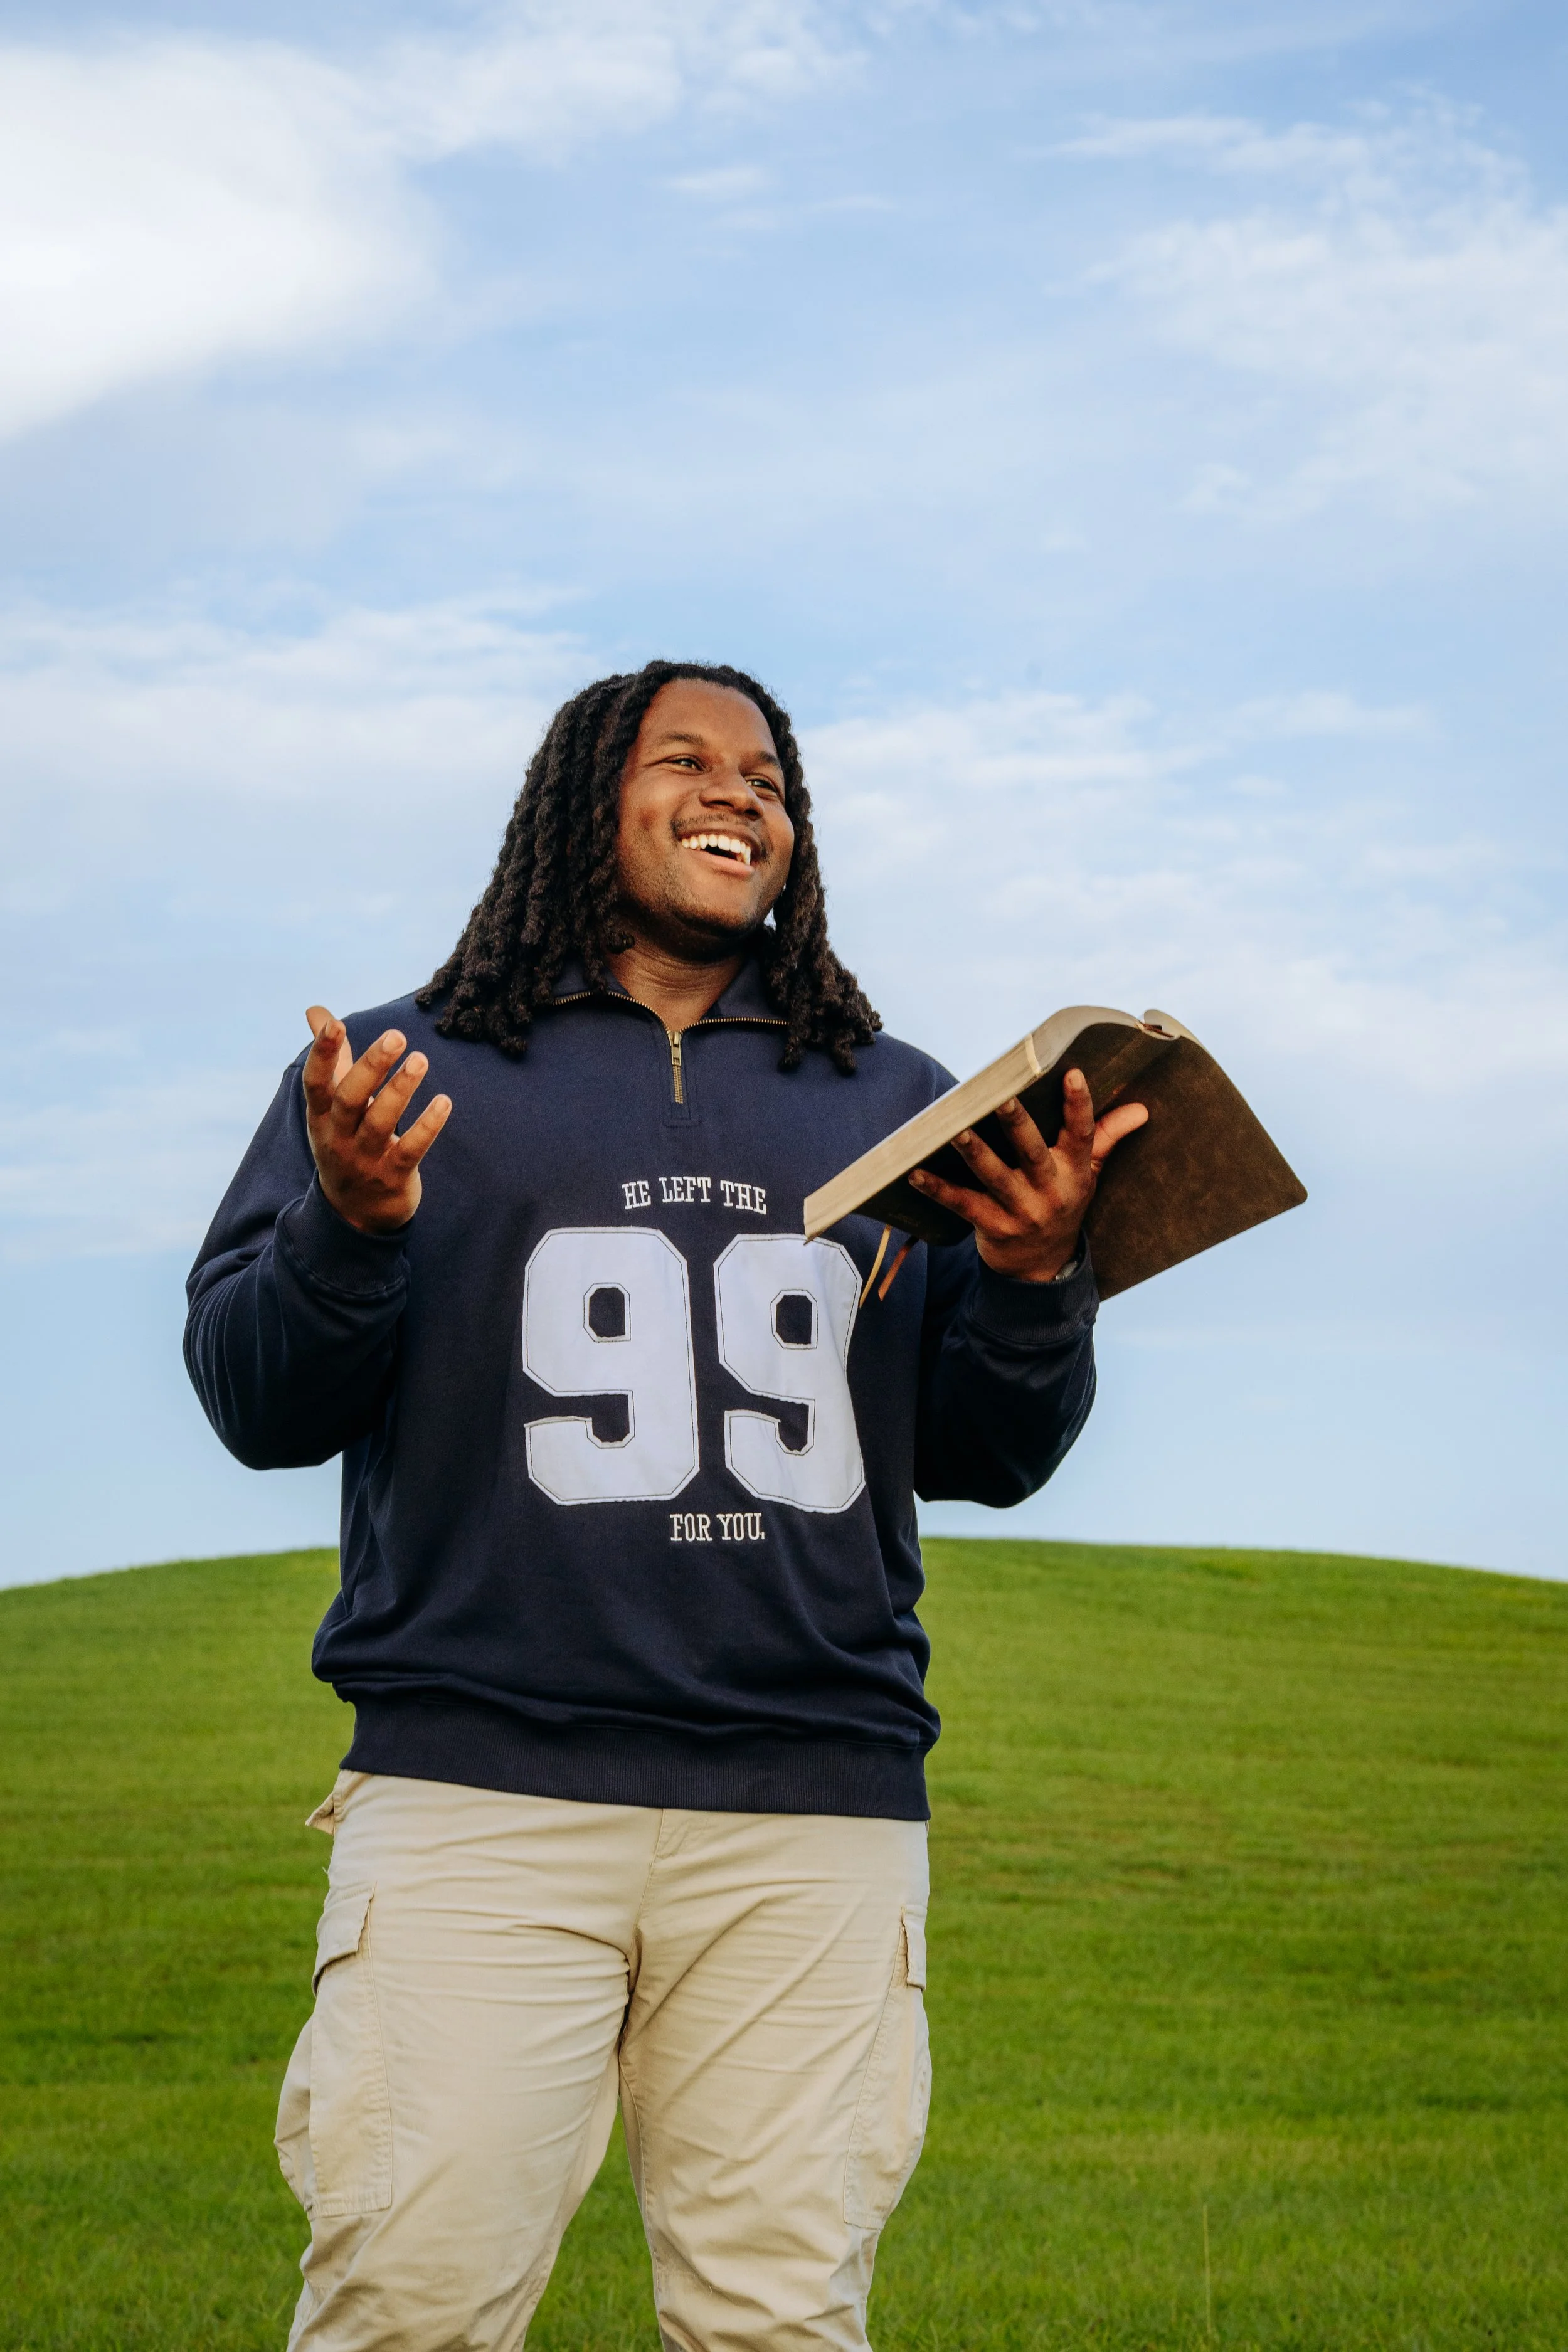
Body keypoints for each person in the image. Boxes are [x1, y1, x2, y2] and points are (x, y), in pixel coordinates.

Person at [185, 659, 1147, 2352]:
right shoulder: (401, 1074)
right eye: (685, 760)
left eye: (767, 774)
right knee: (406, 2308)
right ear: (579, 801)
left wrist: (1033, 1273)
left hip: (810, 1806)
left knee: (776, 2320)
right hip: (484, 1789)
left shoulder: (900, 1096)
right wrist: (347, 1222)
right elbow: (258, 1400)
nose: (739, 793)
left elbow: (988, 1449)